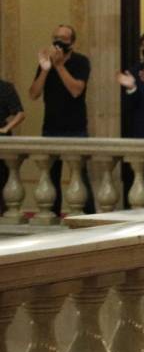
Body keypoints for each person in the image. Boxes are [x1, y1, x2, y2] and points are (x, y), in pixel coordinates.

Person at [28, 24, 94, 215]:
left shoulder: (81, 62)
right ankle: (52, 217)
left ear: (72, 43)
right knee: (50, 177)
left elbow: (76, 90)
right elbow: (33, 94)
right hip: (51, 127)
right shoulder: (46, 63)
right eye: (55, 37)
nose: (58, 42)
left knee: (80, 176)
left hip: (76, 128)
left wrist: (59, 66)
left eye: (63, 39)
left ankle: (89, 217)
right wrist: (46, 69)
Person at [0, 78, 25, 215]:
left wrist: (5, 128)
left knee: (3, 181)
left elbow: (20, 113)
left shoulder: (5, 87)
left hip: (2, 142)